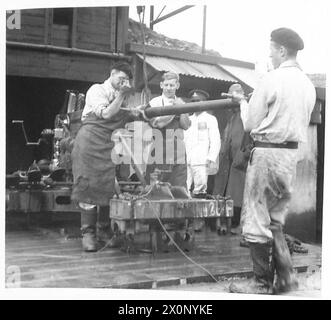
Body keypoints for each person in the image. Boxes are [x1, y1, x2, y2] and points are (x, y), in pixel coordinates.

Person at [229, 28, 316, 294]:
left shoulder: (272, 78)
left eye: (272, 50)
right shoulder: (308, 84)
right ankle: (287, 279)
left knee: (257, 220)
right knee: (275, 219)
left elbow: (250, 123)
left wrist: (241, 102)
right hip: (290, 155)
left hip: (267, 153)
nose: (270, 54)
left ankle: (261, 283)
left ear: (281, 50)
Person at [71, 62, 142, 252]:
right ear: (112, 74)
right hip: (89, 143)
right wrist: (122, 95)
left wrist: (134, 112)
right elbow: (107, 114)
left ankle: (103, 231)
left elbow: (123, 114)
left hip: (107, 145)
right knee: (88, 186)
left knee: (106, 185)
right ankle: (88, 234)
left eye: (127, 80)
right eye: (121, 79)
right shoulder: (97, 90)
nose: (124, 83)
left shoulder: (122, 98)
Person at [145, 72, 191, 188]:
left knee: (179, 188)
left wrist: (183, 109)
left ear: (177, 86)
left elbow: (185, 125)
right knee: (156, 189)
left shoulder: (181, 103)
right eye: (166, 85)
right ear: (161, 85)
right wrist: (176, 109)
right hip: (160, 150)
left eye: (172, 85)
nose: (169, 88)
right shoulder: (154, 103)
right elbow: (158, 123)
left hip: (178, 151)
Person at [184, 89, 221, 197]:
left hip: (201, 160)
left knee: (200, 191)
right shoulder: (188, 119)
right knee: (184, 189)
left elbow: (215, 140)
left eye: (198, 100)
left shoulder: (210, 119)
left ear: (204, 102)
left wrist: (211, 157)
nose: (195, 103)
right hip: (187, 160)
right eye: (193, 101)